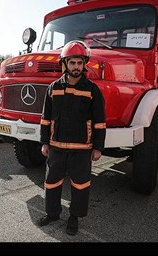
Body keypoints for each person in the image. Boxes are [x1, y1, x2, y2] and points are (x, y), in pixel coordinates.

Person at [37, 40, 106, 236]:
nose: (76, 67)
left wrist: (98, 147)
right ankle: (52, 214)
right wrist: (44, 142)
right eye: (72, 62)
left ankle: (74, 217)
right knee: (52, 183)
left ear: (84, 64)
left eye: (79, 63)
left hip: (81, 149)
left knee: (80, 185)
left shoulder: (92, 90)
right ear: (64, 63)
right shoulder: (53, 88)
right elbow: (45, 118)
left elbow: (100, 121)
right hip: (56, 147)